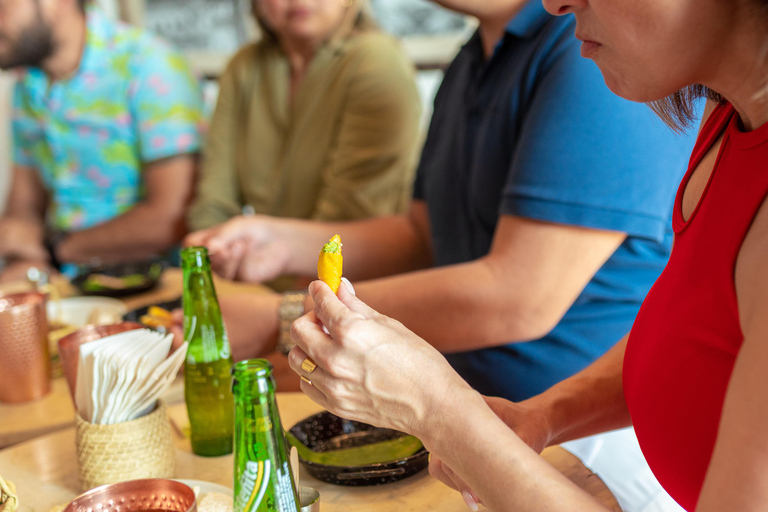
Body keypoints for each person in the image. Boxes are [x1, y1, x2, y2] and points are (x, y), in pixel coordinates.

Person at [284, 0, 768, 510]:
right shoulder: (729, 115)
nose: (553, 2)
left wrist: (440, 411)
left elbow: (517, 296)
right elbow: (693, 328)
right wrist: (545, 414)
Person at [0, 0, 204, 279]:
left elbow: (172, 218)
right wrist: (23, 259)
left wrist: (52, 248)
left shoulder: (149, 64)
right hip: (62, 279)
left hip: (149, 284)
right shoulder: (27, 85)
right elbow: (23, 208)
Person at [186, 0, 421, 234]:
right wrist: (211, 249)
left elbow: (349, 217)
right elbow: (214, 197)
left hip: (354, 263)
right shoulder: (244, 66)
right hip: (263, 262)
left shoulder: (376, 58)